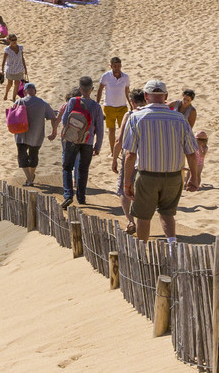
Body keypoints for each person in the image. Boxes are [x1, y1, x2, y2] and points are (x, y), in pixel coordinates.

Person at [120, 80, 199, 243]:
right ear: (166, 97)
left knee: (143, 216)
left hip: (147, 177)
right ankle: (172, 247)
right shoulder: (180, 119)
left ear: (146, 96)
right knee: (168, 214)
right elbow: (191, 153)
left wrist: (127, 182)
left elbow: (130, 154)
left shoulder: (136, 117)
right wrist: (195, 177)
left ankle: (142, 251)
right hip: (174, 177)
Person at [57, 76, 104, 209]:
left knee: (67, 167)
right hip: (88, 141)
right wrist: (98, 146)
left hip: (71, 140)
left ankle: (68, 195)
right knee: (83, 169)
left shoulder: (72, 101)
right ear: (92, 89)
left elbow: (65, 120)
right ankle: (81, 198)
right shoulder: (96, 106)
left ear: (80, 89)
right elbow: (100, 128)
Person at [12, 82, 58, 186]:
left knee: (22, 156)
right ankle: (31, 176)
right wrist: (54, 132)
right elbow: (53, 118)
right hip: (37, 135)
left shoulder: (19, 101)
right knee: (33, 156)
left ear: (24, 92)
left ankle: (29, 179)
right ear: (35, 92)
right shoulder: (43, 103)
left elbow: (11, 117)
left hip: (21, 135)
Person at [96, 57, 131, 160]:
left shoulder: (125, 77)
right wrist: (97, 105)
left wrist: (131, 104)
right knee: (111, 130)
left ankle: (123, 151)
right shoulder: (106, 76)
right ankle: (112, 151)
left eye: (119, 66)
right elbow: (100, 90)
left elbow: (127, 91)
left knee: (123, 130)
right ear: (111, 66)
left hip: (122, 107)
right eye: (115, 66)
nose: (117, 68)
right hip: (109, 107)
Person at [0, 34, 27, 101]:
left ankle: (14, 98)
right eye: (12, 40)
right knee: (10, 83)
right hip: (10, 70)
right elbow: (3, 61)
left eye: (15, 39)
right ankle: (6, 94)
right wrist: (2, 70)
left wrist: (25, 68)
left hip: (19, 69)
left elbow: (22, 58)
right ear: (9, 40)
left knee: (17, 83)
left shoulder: (20, 47)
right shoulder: (7, 49)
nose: (14, 41)